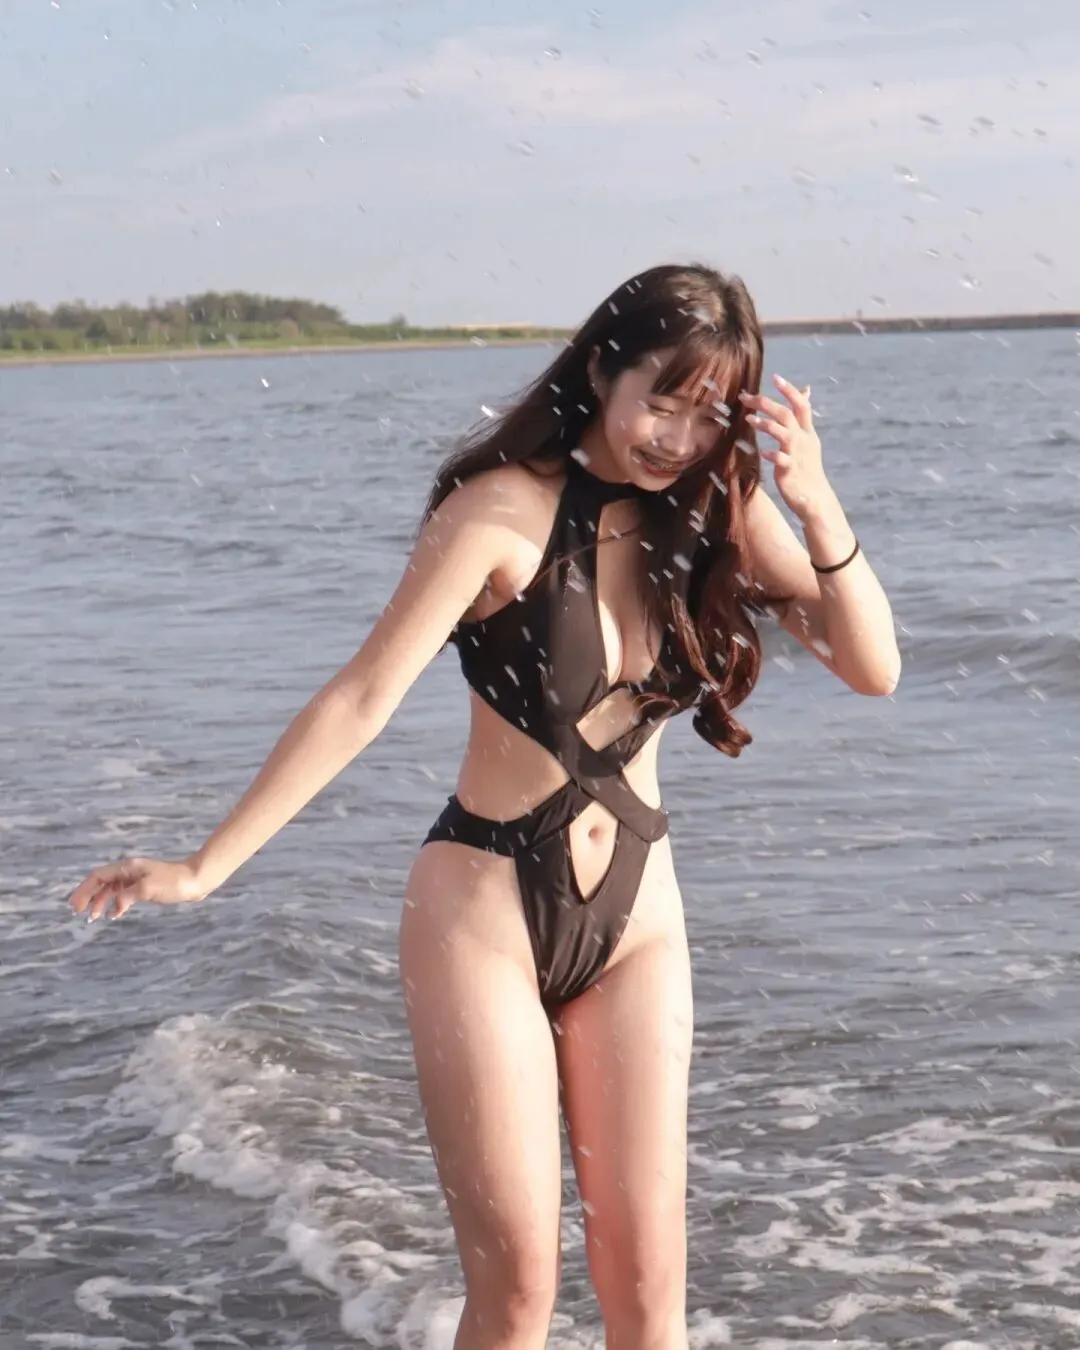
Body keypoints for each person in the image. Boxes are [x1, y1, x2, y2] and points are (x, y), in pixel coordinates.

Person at [70, 263, 900, 1350]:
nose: (679, 438)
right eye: (662, 399)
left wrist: (817, 506)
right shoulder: (499, 511)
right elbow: (362, 697)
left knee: (649, 1291)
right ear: (601, 370)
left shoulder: (715, 511)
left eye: (709, 415)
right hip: (484, 912)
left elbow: (871, 666)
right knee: (516, 1292)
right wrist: (203, 866)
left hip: (641, 923)